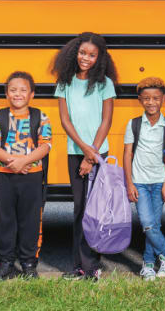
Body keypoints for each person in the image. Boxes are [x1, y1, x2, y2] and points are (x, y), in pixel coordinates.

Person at [51, 32, 118, 281]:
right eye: (82, 53)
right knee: (80, 208)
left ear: (99, 58)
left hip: (98, 154)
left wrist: (92, 155)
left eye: (92, 55)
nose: (86, 58)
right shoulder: (65, 82)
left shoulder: (105, 84)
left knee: (96, 210)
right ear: (74, 53)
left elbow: (106, 120)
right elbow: (65, 121)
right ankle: (78, 266)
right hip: (75, 152)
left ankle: (92, 266)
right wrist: (84, 150)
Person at [0, 71, 52, 280]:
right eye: (13, 90)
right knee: (6, 220)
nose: (18, 94)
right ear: (6, 94)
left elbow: (46, 145)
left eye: (23, 90)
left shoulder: (40, 116)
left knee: (30, 220)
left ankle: (29, 263)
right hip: (5, 176)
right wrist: (11, 163)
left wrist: (24, 161)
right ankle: (6, 262)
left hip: (32, 176)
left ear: (32, 94)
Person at [123, 76, 165, 280]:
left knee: (153, 225)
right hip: (139, 181)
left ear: (163, 99)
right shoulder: (134, 124)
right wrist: (129, 183)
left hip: (159, 182)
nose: (151, 102)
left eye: (156, 98)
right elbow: (127, 154)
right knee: (147, 223)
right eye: (146, 98)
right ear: (140, 100)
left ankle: (148, 265)